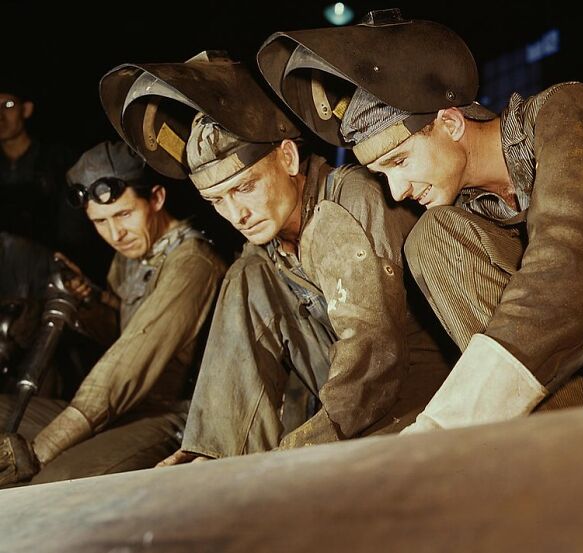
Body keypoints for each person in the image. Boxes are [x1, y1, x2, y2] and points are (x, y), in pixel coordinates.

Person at [255, 9, 583, 432]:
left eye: (400, 161)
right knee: (432, 239)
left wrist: (445, 422)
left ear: (450, 122)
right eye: (382, 174)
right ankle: (551, 442)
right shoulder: (461, 218)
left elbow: (569, 263)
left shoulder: (568, 110)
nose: (396, 190)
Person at [97, 51, 455, 463]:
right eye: (217, 200)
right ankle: (214, 454)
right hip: (346, 410)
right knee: (248, 270)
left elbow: (373, 352)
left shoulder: (346, 199)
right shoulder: (262, 253)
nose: (236, 214)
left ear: (288, 157)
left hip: (418, 400)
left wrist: (296, 450)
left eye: (246, 187)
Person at [0, 140, 225, 485]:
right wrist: (89, 300)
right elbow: (118, 331)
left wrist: (40, 449)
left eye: (124, 214)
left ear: (156, 199)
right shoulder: (132, 254)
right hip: (125, 405)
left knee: (58, 479)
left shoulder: (191, 262)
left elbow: (127, 363)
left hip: (175, 413)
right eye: (100, 221)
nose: (115, 233)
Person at [0, 82, 110, 282]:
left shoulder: (59, 160)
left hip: (56, 269)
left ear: (26, 109)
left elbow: (75, 230)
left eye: (8, 106)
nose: (0, 116)